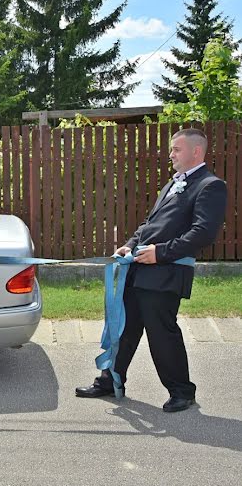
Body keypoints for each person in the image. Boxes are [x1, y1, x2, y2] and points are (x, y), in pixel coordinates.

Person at [75, 128, 227, 412]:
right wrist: (129, 245)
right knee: (124, 328)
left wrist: (160, 253)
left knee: (161, 333)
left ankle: (182, 391)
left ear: (196, 152)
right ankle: (110, 379)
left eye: (176, 149)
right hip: (139, 269)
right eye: (172, 149)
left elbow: (203, 233)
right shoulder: (173, 184)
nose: (171, 154)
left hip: (167, 273)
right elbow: (149, 223)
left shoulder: (210, 185)